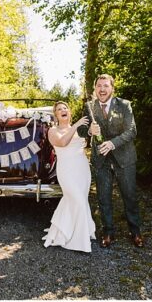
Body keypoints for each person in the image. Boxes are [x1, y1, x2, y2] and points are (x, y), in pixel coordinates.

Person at [77, 74, 143, 248]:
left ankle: (135, 231)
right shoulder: (89, 106)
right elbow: (81, 131)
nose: (102, 89)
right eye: (99, 86)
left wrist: (112, 143)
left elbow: (132, 131)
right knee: (103, 198)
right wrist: (90, 131)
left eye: (106, 86)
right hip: (101, 160)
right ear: (95, 89)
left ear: (112, 88)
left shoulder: (124, 105)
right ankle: (108, 232)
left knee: (129, 196)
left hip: (124, 158)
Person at [42, 102, 96, 252]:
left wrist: (92, 130)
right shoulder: (53, 130)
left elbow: (91, 140)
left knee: (79, 200)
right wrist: (76, 124)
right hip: (67, 170)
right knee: (76, 199)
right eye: (59, 109)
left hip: (82, 168)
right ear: (56, 115)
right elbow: (62, 142)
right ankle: (79, 241)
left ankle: (64, 231)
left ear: (69, 112)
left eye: (65, 108)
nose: (63, 110)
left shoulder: (81, 129)